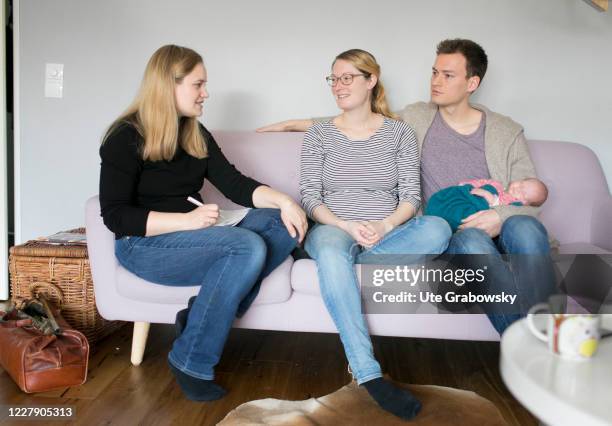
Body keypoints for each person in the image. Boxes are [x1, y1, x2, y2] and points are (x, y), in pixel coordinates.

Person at [258, 38, 557, 335]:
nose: (436, 81)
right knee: (475, 244)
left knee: (527, 229)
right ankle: (529, 347)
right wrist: (291, 124)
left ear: (472, 83)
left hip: (498, 219)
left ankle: (547, 333)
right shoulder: (417, 117)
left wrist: (499, 217)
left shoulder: (507, 131)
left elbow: (532, 197)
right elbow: (355, 118)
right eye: (434, 72)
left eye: (448, 75)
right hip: (457, 231)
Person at [99, 45, 307, 401]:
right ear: (169, 85)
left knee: (279, 223)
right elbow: (116, 215)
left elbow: (237, 185)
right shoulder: (125, 137)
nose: (206, 93)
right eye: (198, 84)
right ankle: (191, 359)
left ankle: (200, 315)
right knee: (246, 246)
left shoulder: (195, 133)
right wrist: (186, 220)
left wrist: (287, 202)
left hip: (193, 235)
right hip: (143, 244)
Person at [300, 48, 451, 420]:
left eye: (348, 77)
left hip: (385, 235)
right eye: (334, 78)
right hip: (332, 230)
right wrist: (344, 225)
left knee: (438, 227)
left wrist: (384, 226)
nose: (338, 86)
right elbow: (309, 197)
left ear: (371, 81)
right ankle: (368, 374)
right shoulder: (319, 134)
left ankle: (348, 268)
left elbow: (411, 198)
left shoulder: (399, 132)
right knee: (334, 251)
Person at [426, 177, 548, 232]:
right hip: (467, 196)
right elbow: (479, 182)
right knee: (451, 197)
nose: (518, 190)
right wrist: (465, 186)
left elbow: (502, 213)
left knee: (462, 216)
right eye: (521, 184)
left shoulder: (513, 204)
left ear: (526, 205)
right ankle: (440, 206)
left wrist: (492, 199)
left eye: (524, 195)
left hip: (477, 211)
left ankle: (449, 220)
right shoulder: (496, 184)